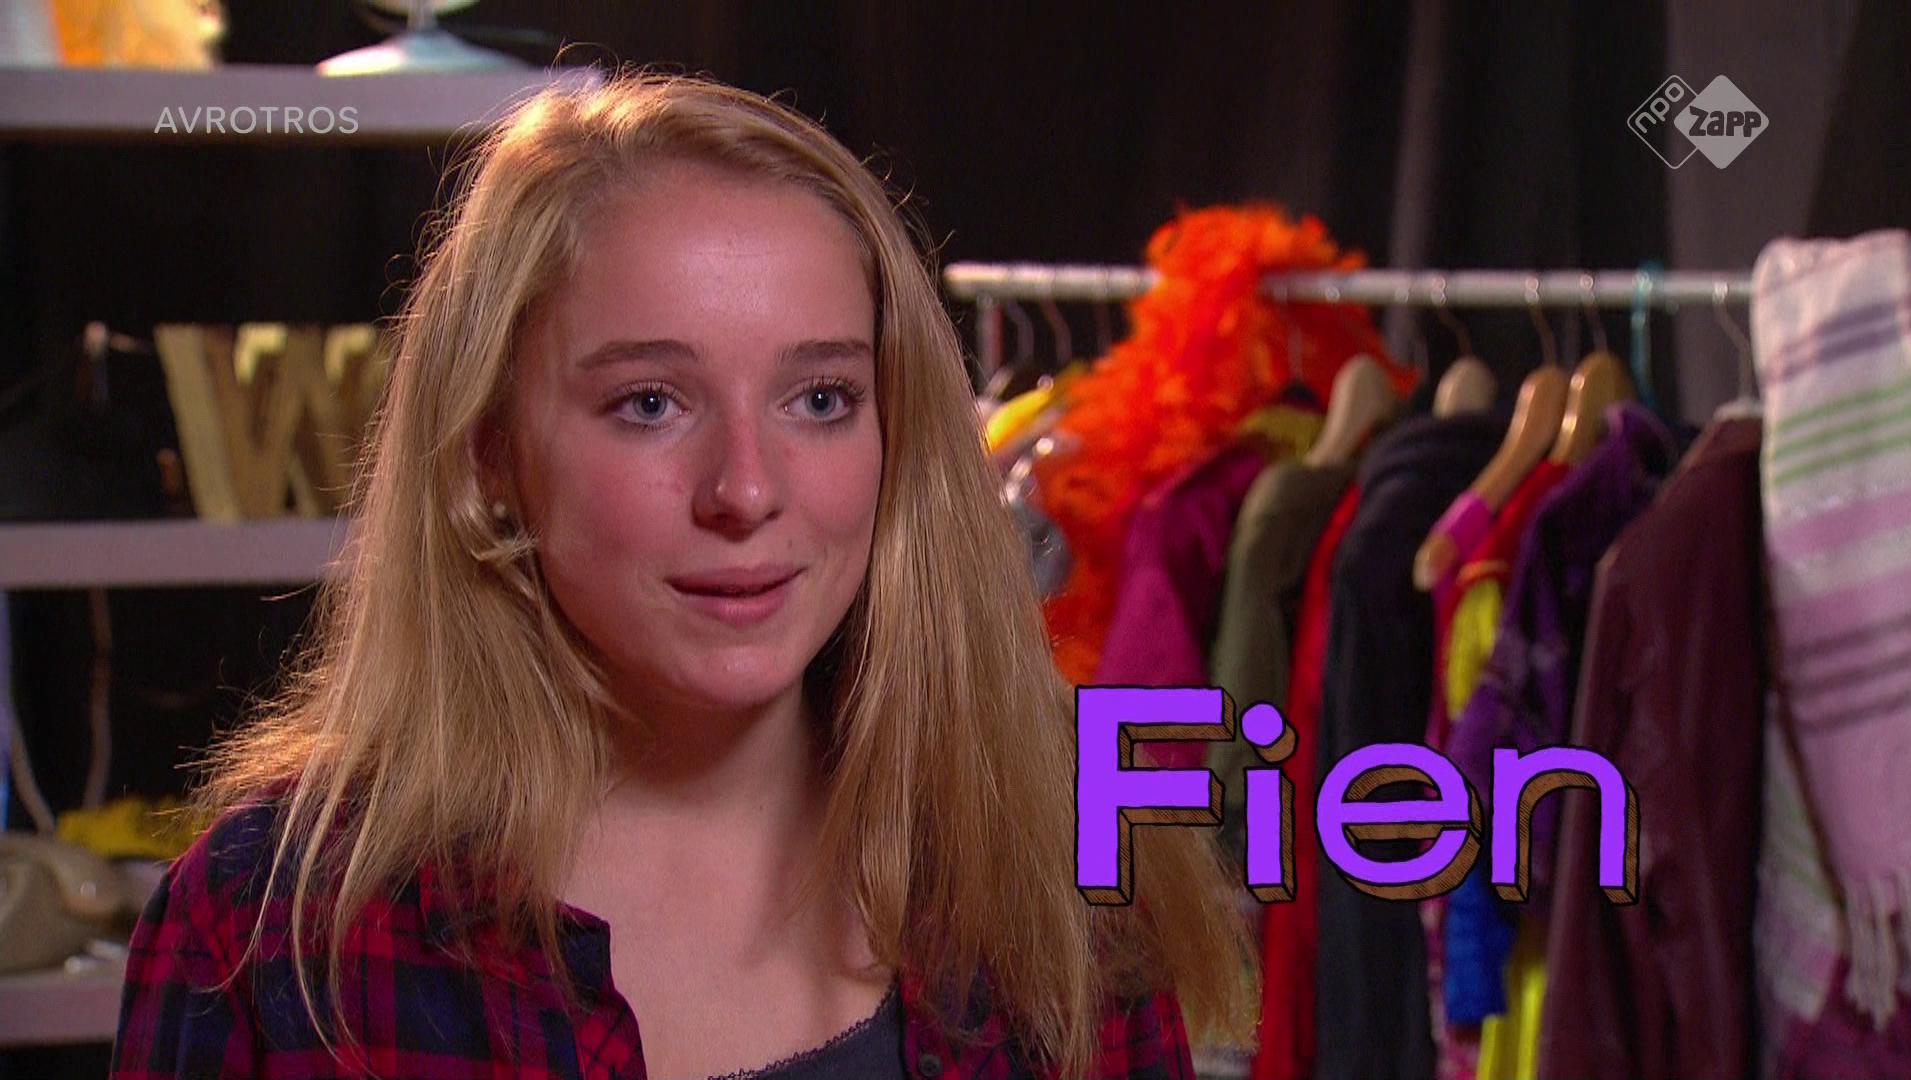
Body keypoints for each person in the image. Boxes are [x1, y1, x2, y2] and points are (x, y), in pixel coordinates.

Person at [109, 70, 1254, 1079]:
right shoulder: (270, 938)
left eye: (821, 399)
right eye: (650, 403)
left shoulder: (1064, 881)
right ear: (491, 453)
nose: (746, 490)